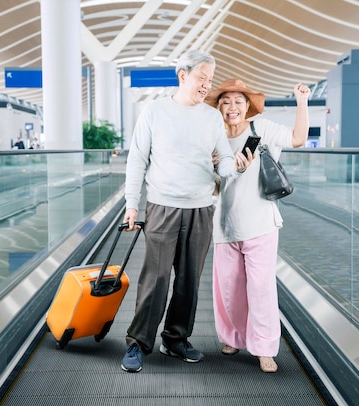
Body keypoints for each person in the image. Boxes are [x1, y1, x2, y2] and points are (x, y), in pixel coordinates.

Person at [121, 50, 253, 373]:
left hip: (200, 209)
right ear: (183, 75)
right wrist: (131, 203)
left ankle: (175, 339)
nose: (206, 86)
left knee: (189, 281)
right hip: (162, 206)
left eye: (210, 80)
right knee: (156, 277)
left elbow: (222, 161)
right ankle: (138, 343)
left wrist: (234, 167)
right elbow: (137, 158)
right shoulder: (154, 112)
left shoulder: (211, 118)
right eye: (201, 78)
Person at [205, 79, 310, 373]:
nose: (232, 107)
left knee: (261, 288)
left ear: (248, 106)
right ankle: (234, 338)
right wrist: (214, 167)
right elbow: (212, 188)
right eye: (226, 102)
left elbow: (298, 138)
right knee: (229, 288)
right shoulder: (213, 139)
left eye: (239, 101)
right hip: (225, 225)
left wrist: (302, 102)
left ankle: (264, 348)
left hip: (261, 223)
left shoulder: (262, 130)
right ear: (218, 107)